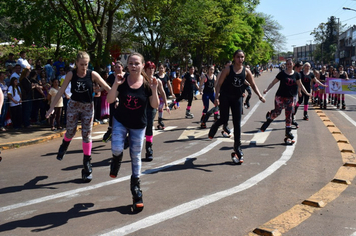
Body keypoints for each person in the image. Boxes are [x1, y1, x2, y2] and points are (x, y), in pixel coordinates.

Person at [45, 51, 111, 182]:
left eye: (86, 64)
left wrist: (116, 98)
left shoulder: (92, 74)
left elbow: (107, 87)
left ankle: (87, 164)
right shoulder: (71, 74)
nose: (84, 67)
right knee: (70, 131)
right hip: (74, 105)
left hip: (87, 106)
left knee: (87, 134)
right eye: (81, 64)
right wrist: (51, 108)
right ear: (76, 63)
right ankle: (64, 145)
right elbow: (61, 91)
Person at [107, 52, 159, 212]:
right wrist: (115, 84)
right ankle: (116, 160)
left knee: (135, 156)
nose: (134, 66)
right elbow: (109, 100)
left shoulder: (147, 84)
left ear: (143, 65)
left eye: (137, 63)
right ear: (127, 65)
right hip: (121, 121)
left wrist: (155, 89)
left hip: (138, 125)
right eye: (131, 63)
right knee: (116, 148)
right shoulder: (122, 82)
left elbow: (154, 105)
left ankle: (136, 192)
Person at [209, 50, 265, 164]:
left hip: (237, 98)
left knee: (237, 124)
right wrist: (217, 97)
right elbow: (219, 84)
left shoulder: (246, 71)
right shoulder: (228, 70)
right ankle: (215, 126)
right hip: (225, 97)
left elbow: (253, 84)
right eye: (238, 57)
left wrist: (259, 95)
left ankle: (237, 148)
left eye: (242, 57)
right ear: (234, 58)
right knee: (224, 119)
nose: (241, 59)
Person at [260, 58, 311, 144]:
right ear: (286, 65)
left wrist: (307, 93)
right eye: (287, 64)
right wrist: (267, 89)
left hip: (290, 98)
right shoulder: (282, 74)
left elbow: (300, 85)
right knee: (277, 112)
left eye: (290, 63)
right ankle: (268, 121)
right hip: (280, 97)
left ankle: (288, 133)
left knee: (289, 116)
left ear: (293, 64)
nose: (289, 65)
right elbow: (273, 82)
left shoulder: (297, 75)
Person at [144, 61, 170, 160]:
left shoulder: (157, 81)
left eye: (152, 68)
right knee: (140, 126)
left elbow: (163, 92)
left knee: (149, 126)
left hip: (152, 106)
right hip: (141, 107)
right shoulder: (141, 80)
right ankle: (129, 140)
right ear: (145, 69)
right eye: (149, 68)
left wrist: (166, 104)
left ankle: (149, 148)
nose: (151, 70)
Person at [102, 61, 126, 142]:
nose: (117, 68)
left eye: (119, 67)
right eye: (116, 67)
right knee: (113, 115)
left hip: (124, 98)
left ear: (122, 67)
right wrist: (98, 89)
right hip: (113, 98)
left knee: (123, 115)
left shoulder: (126, 76)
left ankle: (124, 133)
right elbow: (106, 85)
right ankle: (110, 131)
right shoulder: (111, 76)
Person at [155, 64, 174, 128]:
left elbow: (169, 85)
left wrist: (172, 93)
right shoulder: (155, 76)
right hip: (156, 94)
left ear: (164, 69)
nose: (161, 69)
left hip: (163, 94)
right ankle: (153, 121)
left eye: (162, 68)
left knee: (161, 107)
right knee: (155, 108)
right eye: (160, 68)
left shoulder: (166, 76)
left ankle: (160, 120)